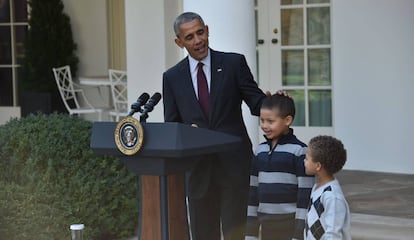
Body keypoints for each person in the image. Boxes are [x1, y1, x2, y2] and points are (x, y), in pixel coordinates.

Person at [162, 12, 267, 240]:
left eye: (200, 32)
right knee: (202, 234)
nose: (198, 40)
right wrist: (188, 134)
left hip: (234, 163)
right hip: (198, 169)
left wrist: (276, 104)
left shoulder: (233, 63)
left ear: (207, 30)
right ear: (179, 42)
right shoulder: (171, 77)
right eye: (189, 37)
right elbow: (172, 125)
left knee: (234, 232)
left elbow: (256, 102)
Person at [245, 93, 315, 240]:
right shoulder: (260, 151)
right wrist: (250, 233)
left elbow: (305, 196)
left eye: (270, 121)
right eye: (262, 120)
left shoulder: (299, 151)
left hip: (290, 226)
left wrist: (298, 234)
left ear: (287, 120)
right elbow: (253, 193)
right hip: (266, 226)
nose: (264, 125)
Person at [303, 135, 351, 240]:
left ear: (318, 166)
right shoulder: (317, 188)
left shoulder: (332, 196)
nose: (304, 161)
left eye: (307, 158)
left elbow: (333, 234)